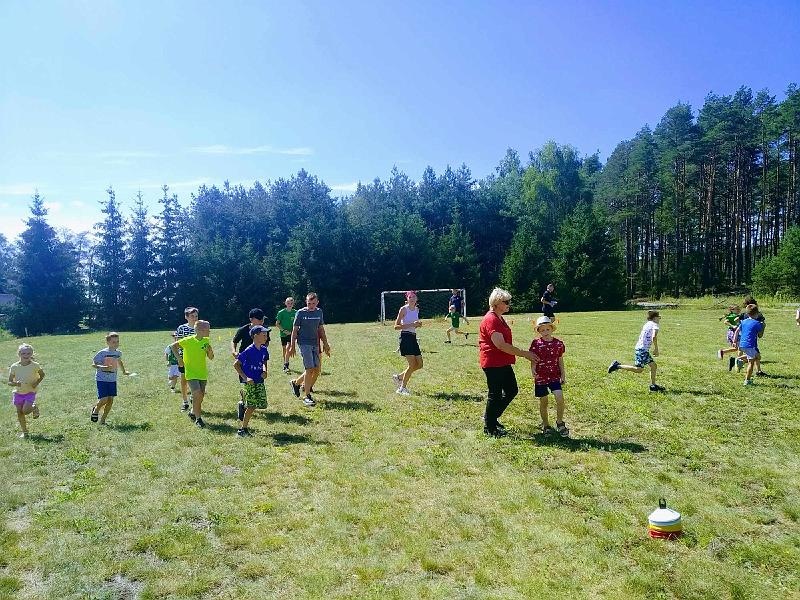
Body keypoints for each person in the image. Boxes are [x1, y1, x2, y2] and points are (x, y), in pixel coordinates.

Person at [479, 287, 536, 437]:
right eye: (506, 302)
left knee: (512, 390)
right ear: (497, 303)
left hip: (503, 361)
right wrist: (524, 354)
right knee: (495, 394)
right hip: (493, 362)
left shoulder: (499, 317)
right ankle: (489, 428)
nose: (508, 304)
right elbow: (501, 345)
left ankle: (490, 418)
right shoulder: (491, 319)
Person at [288, 292, 330, 407]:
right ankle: (307, 396)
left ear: (317, 302)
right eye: (309, 303)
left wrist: (325, 344)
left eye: (313, 303)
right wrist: (292, 346)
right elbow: (295, 330)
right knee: (309, 368)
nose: (311, 305)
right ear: (306, 302)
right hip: (304, 343)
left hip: (315, 343)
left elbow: (321, 329)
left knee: (316, 369)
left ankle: (296, 383)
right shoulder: (300, 313)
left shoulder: (319, 312)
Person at [607, 310, 665, 392]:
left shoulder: (647, 324)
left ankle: (653, 386)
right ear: (655, 318)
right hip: (642, 350)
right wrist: (656, 349)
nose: (659, 319)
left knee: (653, 366)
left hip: (641, 349)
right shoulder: (655, 325)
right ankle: (617, 366)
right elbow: (654, 337)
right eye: (659, 317)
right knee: (639, 369)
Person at [530, 316, 568, 437]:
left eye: (547, 329)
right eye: (542, 330)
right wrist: (533, 370)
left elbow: (560, 360)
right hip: (541, 377)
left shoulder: (558, 344)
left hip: (554, 376)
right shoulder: (536, 344)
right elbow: (533, 359)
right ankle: (546, 425)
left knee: (560, 398)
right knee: (544, 401)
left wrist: (563, 374)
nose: (545, 332)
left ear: (552, 329)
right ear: (539, 332)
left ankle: (560, 422)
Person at [172, 320, 214, 428]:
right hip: (190, 372)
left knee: (201, 396)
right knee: (197, 393)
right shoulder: (188, 340)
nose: (209, 331)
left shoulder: (206, 341)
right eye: (208, 329)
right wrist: (179, 359)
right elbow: (173, 346)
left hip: (202, 373)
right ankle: (198, 419)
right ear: (200, 330)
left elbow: (211, 357)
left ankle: (192, 411)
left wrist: (210, 351)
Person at [233, 325, 270, 437]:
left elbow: (264, 362)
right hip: (249, 382)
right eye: (264, 335)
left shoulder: (264, 349)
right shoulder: (248, 351)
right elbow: (236, 365)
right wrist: (245, 378)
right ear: (255, 336)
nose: (266, 337)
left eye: (266, 335)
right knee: (252, 406)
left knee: (262, 404)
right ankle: (242, 430)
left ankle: (243, 403)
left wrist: (264, 370)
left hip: (259, 381)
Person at [231, 308, 267, 418]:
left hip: (257, 361)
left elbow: (266, 346)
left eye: (262, 319)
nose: (261, 321)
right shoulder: (243, 329)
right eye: (259, 319)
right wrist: (234, 351)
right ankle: (243, 404)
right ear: (251, 319)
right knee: (245, 383)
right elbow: (234, 341)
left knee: (256, 383)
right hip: (244, 360)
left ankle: (250, 403)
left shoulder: (263, 331)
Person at [91, 332, 131, 425]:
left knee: (110, 400)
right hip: (101, 379)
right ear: (108, 342)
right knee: (104, 399)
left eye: (117, 341)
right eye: (114, 342)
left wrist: (124, 371)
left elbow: (119, 362)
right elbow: (94, 364)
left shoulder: (118, 353)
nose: (116, 344)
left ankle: (103, 420)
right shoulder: (102, 353)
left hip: (112, 380)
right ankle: (96, 409)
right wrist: (104, 367)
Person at [7, 343, 45, 439]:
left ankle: (34, 407)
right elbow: (9, 382)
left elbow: (42, 375)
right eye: (24, 353)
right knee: (20, 413)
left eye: (28, 353)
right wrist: (16, 384)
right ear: (19, 354)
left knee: (26, 411)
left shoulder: (35, 365)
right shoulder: (14, 366)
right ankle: (25, 432)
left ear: (31, 354)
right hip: (18, 393)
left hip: (30, 391)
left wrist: (36, 383)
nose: (26, 356)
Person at [391, 291, 424, 395]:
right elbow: (396, 326)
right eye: (410, 297)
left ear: (416, 298)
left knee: (419, 364)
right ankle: (401, 389)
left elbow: (415, 324)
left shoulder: (417, 309)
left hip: (413, 338)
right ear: (407, 299)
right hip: (405, 337)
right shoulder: (403, 309)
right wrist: (411, 324)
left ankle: (399, 377)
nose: (412, 299)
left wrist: (418, 324)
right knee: (412, 364)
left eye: (414, 297)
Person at [174, 306, 199, 411]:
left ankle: (194, 398)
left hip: (197, 358)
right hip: (184, 358)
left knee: (196, 380)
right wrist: (180, 357)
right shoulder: (181, 328)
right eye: (192, 316)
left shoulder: (200, 327)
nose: (195, 318)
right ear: (186, 317)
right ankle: (185, 402)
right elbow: (177, 344)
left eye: (196, 316)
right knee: (184, 380)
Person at [734, 297, 766, 375]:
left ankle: (758, 371)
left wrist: (741, 327)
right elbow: (760, 335)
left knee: (757, 356)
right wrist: (763, 327)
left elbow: (736, 321)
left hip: (743, 339)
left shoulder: (745, 315)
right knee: (752, 359)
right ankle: (740, 362)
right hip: (751, 342)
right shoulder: (758, 318)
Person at [275, 297, 297, 373]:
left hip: (292, 333)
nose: (290, 304)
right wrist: (284, 330)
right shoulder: (281, 312)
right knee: (284, 349)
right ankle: (285, 362)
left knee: (288, 348)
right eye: (288, 303)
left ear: (293, 304)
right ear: (285, 303)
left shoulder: (296, 312)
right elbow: (277, 324)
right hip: (283, 334)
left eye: (291, 303)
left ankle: (286, 364)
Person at [717, 305, 740, 370]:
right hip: (733, 332)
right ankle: (738, 360)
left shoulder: (734, 315)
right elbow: (725, 322)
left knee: (737, 348)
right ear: (732, 310)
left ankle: (723, 352)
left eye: (739, 309)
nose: (738, 310)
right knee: (738, 347)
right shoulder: (732, 316)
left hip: (734, 332)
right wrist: (733, 326)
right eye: (737, 309)